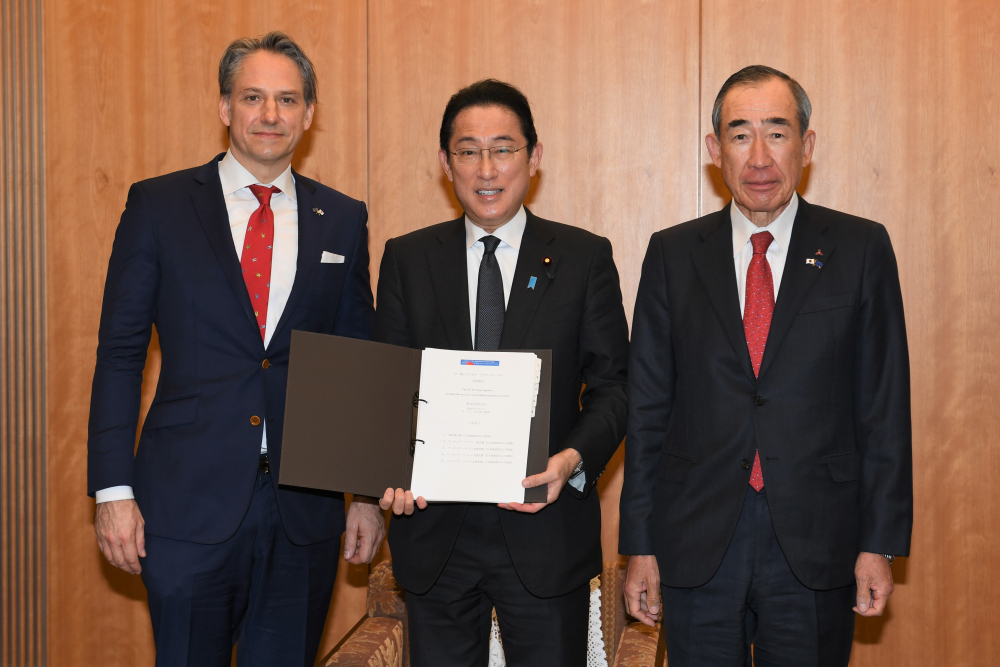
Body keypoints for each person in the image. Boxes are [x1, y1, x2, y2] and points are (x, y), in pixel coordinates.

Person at [87, 32, 384, 666]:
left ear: (309, 115)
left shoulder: (345, 218)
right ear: (225, 108)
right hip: (183, 506)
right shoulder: (159, 206)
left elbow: (357, 359)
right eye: (253, 97)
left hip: (302, 513)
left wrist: (362, 493)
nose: (270, 115)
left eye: (287, 99)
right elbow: (119, 355)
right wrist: (113, 491)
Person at [620, 65, 913, 666]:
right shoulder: (672, 254)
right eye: (740, 134)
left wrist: (878, 542)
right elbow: (647, 410)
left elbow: (885, 406)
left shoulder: (860, 248)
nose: (759, 156)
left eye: (777, 133)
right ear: (714, 150)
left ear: (807, 145)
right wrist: (639, 547)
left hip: (818, 540)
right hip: (697, 539)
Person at [374, 79, 629, 666]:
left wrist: (570, 461)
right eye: (467, 151)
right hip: (434, 537)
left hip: (545, 533)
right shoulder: (408, 259)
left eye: (503, 148)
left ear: (533, 158)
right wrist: (386, 472)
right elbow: (388, 390)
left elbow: (616, 388)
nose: (486, 168)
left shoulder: (584, 258)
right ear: (446, 163)